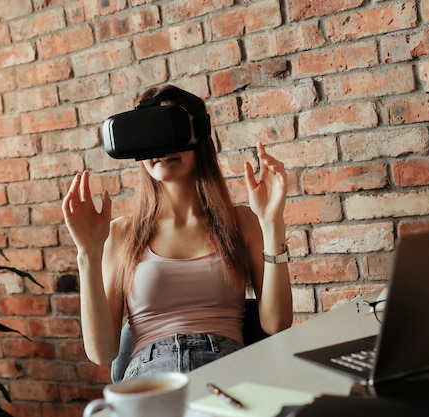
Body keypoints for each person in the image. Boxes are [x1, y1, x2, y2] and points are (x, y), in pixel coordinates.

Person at [62, 85, 293, 379]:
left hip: (224, 368)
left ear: (198, 136)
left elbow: (277, 323)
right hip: (149, 376)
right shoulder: (121, 233)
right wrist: (88, 253)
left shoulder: (241, 221)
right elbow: (102, 353)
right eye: (150, 136)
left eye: (169, 130)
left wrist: (272, 224)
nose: (161, 148)